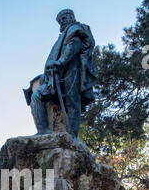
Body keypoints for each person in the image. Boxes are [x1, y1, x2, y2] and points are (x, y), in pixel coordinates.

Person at [24, 9, 97, 138]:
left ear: (72, 17)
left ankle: (72, 135)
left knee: (72, 102)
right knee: (36, 96)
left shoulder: (75, 29)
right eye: (60, 20)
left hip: (71, 69)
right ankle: (43, 130)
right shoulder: (62, 36)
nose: (62, 21)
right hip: (53, 75)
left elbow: (74, 44)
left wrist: (61, 62)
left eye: (64, 18)